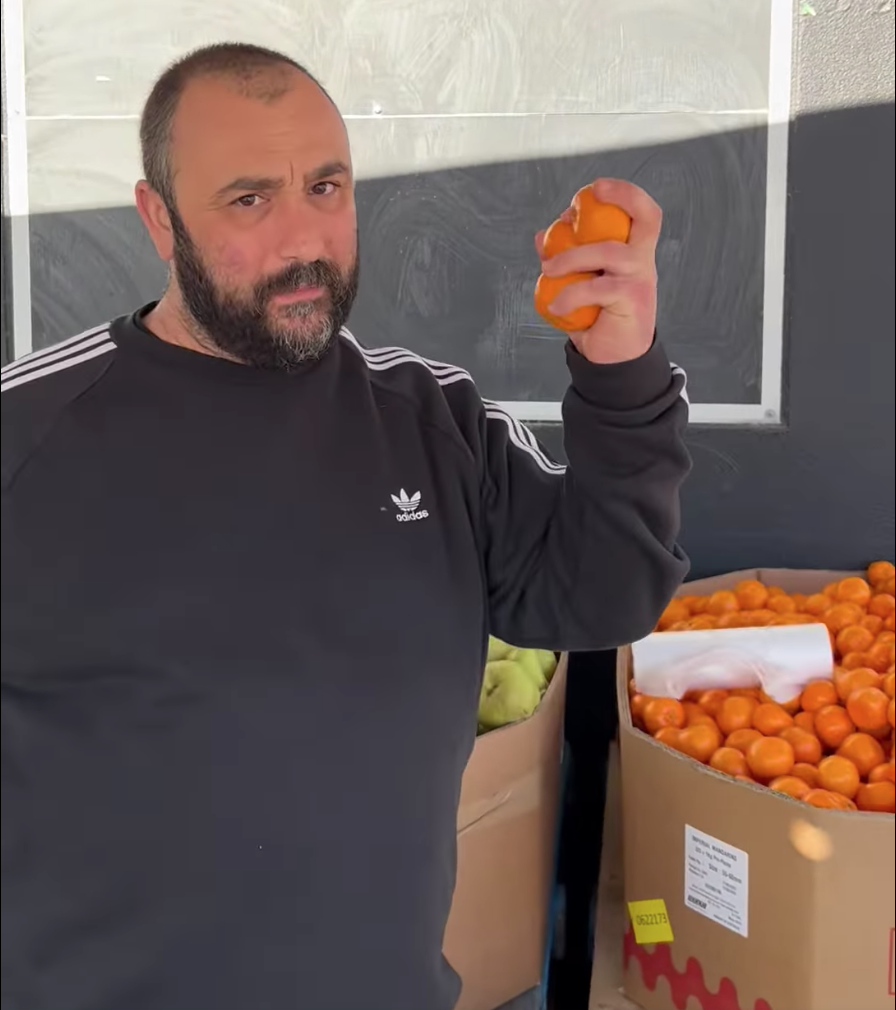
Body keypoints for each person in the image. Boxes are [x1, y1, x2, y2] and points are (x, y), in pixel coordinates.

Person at [1, 42, 690, 1010]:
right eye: (249, 200)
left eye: (325, 186)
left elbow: (607, 588)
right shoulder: (25, 443)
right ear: (158, 218)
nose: (302, 238)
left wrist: (620, 367)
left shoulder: (431, 423)